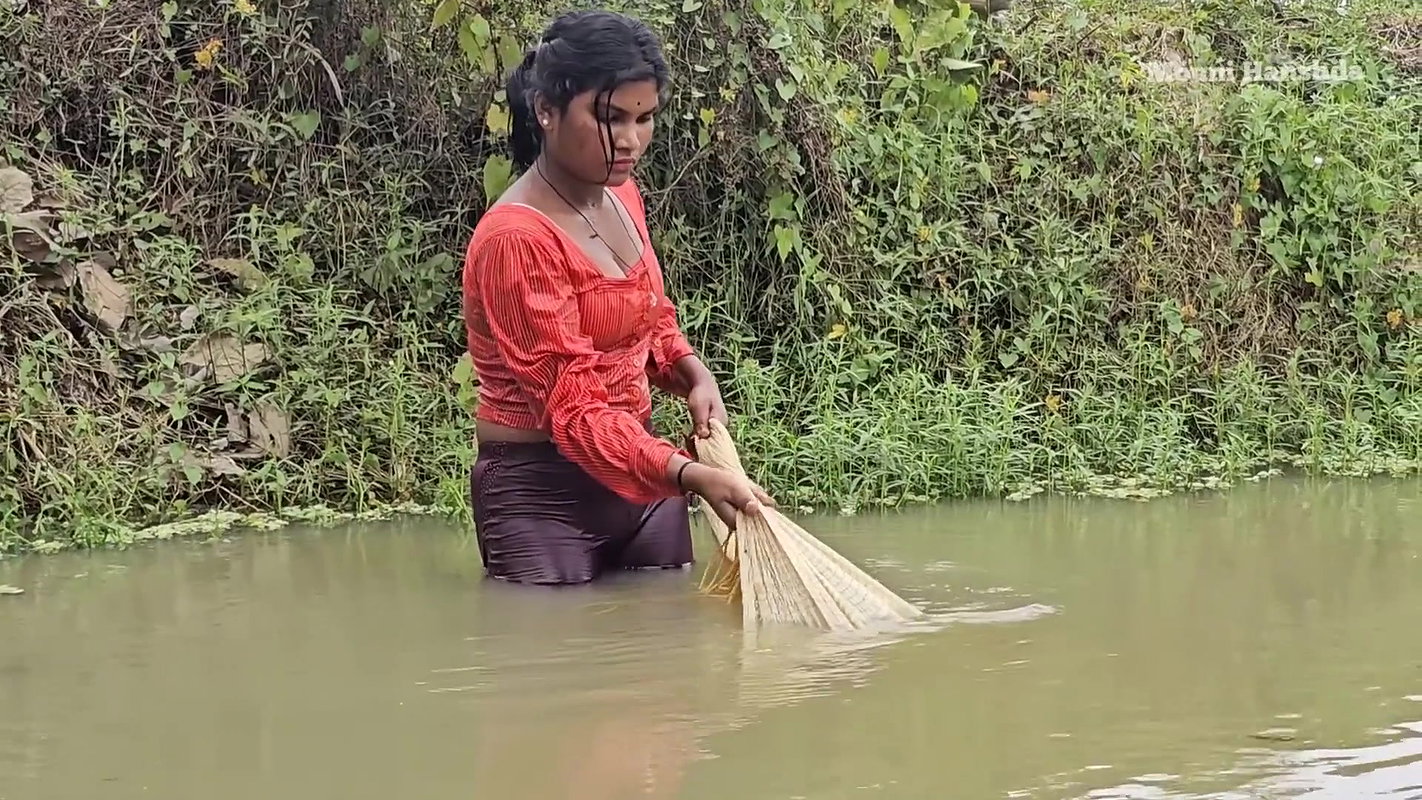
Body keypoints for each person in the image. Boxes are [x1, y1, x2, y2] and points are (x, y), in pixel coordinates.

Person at [461, 9, 774, 586]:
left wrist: (691, 372)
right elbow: (573, 410)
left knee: (666, 633)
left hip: (644, 483)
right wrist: (687, 474)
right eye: (610, 118)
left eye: (644, 118)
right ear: (546, 110)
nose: (631, 140)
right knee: (549, 643)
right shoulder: (516, 240)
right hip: (541, 496)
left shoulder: (622, 194)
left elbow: (648, 315)